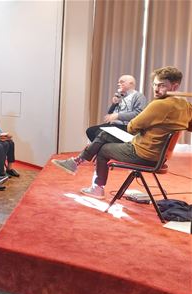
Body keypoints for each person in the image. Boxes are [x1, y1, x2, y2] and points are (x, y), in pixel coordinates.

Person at [52, 66, 192, 199]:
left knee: (102, 149)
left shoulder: (159, 104)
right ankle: (77, 162)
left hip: (143, 153)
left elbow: (132, 127)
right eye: (155, 84)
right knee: (106, 133)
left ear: (174, 87)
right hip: (159, 156)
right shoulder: (185, 105)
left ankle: (95, 186)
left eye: (162, 85)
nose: (156, 89)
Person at [86, 75, 147, 141]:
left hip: (126, 127)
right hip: (114, 125)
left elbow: (138, 114)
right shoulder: (121, 96)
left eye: (122, 82)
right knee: (90, 131)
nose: (119, 84)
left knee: (99, 133)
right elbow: (109, 113)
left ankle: (93, 151)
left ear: (131, 83)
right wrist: (114, 104)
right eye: (118, 82)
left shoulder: (138, 96)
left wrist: (118, 116)